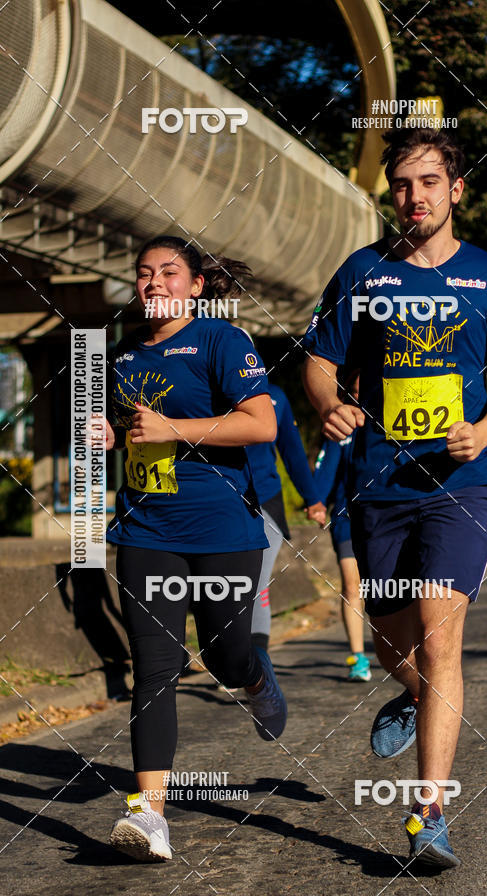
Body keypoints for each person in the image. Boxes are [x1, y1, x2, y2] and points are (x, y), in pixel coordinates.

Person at [302, 128, 487, 869]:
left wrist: (486, 430)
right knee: (395, 644)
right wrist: (330, 404)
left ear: (455, 189)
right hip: (379, 484)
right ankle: (412, 692)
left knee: (439, 637)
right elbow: (320, 361)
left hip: (460, 486)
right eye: (401, 185)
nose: (414, 197)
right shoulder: (362, 272)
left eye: (429, 182)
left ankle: (428, 813)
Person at [100, 235, 287, 862]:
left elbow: (262, 423)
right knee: (154, 669)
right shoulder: (121, 355)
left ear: (197, 286)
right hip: (146, 529)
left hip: (223, 531)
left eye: (169, 272)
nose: (154, 282)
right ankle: (149, 814)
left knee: (223, 655)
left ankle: (255, 679)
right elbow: (125, 428)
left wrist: (174, 429)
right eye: (144, 273)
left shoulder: (221, 341)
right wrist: (108, 435)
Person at [245, 380, 326, 651]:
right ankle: (231, 660)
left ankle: (259, 662)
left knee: (256, 584)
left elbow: (292, 451)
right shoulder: (205, 394)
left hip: (266, 501)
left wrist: (313, 499)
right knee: (224, 589)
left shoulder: (274, 395)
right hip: (218, 506)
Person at [309, 373, 371, 681]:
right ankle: (358, 658)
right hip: (347, 518)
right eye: (354, 392)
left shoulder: (391, 424)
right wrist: (317, 502)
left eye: (366, 391)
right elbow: (326, 468)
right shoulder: (341, 429)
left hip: (387, 518)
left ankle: (402, 650)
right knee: (352, 584)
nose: (360, 398)